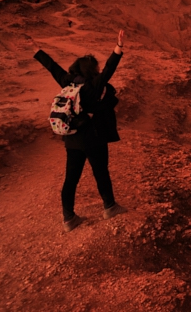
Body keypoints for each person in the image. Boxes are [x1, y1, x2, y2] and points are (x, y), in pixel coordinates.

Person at [29, 30, 128, 232]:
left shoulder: (68, 82)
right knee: (101, 172)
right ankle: (109, 207)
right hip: (94, 138)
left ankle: (68, 218)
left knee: (71, 178)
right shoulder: (93, 85)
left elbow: (52, 67)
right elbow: (110, 68)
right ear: (92, 70)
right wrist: (119, 46)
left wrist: (36, 49)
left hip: (72, 139)